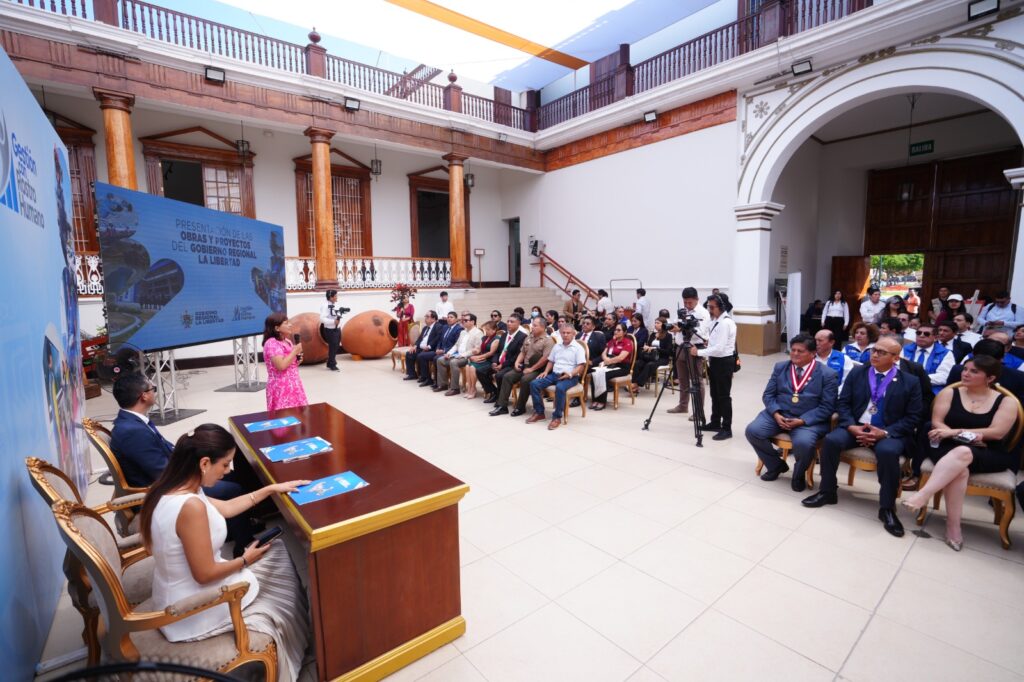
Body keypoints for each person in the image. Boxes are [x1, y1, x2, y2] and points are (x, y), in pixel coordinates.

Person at [139, 425, 310, 680]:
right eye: (226, 464)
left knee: (276, 551)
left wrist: (271, 489)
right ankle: (294, 650)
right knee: (279, 561)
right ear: (205, 463)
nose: (229, 470)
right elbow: (205, 574)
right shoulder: (190, 507)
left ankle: (298, 634)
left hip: (175, 594)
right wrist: (244, 560)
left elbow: (227, 508)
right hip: (191, 609)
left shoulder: (173, 488)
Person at [110, 373, 265, 551]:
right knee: (232, 489)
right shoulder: (132, 431)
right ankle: (243, 544)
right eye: (153, 389)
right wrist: (200, 472)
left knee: (233, 475)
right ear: (144, 396)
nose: (155, 392)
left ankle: (235, 527)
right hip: (164, 490)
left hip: (170, 477)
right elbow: (161, 472)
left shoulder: (132, 421)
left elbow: (167, 453)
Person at [802, 335, 923, 537]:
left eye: (881, 352)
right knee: (831, 441)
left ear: (895, 358)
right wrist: (850, 426)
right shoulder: (858, 373)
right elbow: (843, 403)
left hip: (888, 432)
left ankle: (887, 508)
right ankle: (827, 491)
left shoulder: (910, 382)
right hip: (856, 426)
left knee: (888, 453)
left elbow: (914, 416)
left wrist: (885, 432)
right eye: (874, 350)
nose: (874, 355)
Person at [903, 356, 1018, 551]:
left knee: (963, 454)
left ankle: (923, 494)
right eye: (965, 369)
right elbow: (937, 422)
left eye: (974, 371)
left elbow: (997, 433)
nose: (965, 374)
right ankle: (953, 528)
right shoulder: (949, 393)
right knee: (961, 467)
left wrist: (955, 432)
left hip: (987, 450)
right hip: (945, 445)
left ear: (990, 378)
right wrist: (964, 437)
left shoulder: (1006, 402)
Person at [745, 334, 838, 491]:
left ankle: (798, 474)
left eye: (800, 351)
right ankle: (776, 465)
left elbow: (827, 407)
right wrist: (776, 414)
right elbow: (768, 395)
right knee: (753, 431)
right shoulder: (781, 367)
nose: (795, 354)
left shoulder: (827, 374)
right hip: (779, 414)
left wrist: (802, 420)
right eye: (793, 350)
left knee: (804, 443)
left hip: (807, 421)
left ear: (812, 353)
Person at [490, 317, 554, 417]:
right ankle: (502, 406)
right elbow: (523, 352)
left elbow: (545, 359)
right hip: (525, 365)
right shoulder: (529, 337)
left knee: (525, 379)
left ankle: (520, 407)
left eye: (535, 326)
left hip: (538, 369)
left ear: (542, 327)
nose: (532, 327)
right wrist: (517, 362)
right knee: (507, 376)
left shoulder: (548, 341)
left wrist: (531, 369)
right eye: (532, 325)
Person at [527, 324, 587, 430]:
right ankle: (540, 413)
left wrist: (570, 374)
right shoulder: (557, 346)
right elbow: (551, 361)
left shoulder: (578, 348)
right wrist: (546, 371)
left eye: (568, 333)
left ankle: (557, 417)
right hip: (554, 374)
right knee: (534, 384)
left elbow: (581, 366)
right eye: (563, 333)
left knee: (560, 387)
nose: (565, 335)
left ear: (573, 334)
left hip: (570, 376)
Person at [695, 295, 737, 440]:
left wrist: (698, 352)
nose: (710, 310)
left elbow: (720, 348)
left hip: (723, 362)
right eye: (709, 307)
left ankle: (726, 428)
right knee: (714, 394)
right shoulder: (716, 321)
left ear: (721, 307)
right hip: (715, 361)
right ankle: (715, 422)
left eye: (712, 307)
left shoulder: (725, 323)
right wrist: (709, 343)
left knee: (724, 396)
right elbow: (715, 342)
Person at [668, 287, 711, 419]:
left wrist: (682, 328)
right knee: (682, 379)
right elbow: (675, 325)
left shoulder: (703, 313)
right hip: (680, 346)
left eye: (690, 302)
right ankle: (683, 405)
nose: (687, 305)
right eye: (685, 302)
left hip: (694, 348)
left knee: (696, 381)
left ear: (697, 299)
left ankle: (698, 411)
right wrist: (672, 327)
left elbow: (702, 333)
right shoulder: (683, 310)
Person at [262, 312, 307, 412]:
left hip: (294, 385)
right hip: (281, 387)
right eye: (286, 323)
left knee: (299, 416)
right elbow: (281, 366)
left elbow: (289, 364)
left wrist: (297, 360)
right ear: (277, 328)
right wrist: (295, 351)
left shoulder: (287, 341)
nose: (290, 325)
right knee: (284, 417)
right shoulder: (271, 343)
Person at [481, 314, 527, 404]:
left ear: (518, 323)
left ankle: (500, 398)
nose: (508, 323)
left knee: (499, 375)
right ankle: (494, 392)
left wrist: (502, 365)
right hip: (499, 363)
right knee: (481, 371)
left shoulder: (522, 337)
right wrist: (494, 362)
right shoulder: (504, 335)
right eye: (508, 321)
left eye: (512, 322)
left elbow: (517, 356)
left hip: (510, 364)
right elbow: (498, 351)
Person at [435, 312, 482, 396]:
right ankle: (443, 384)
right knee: (440, 360)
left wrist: (463, 355)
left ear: (472, 322)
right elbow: (456, 345)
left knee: (453, 362)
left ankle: (455, 388)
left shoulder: (478, 333)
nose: (463, 322)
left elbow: (476, 349)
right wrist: (449, 353)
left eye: (466, 320)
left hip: (468, 357)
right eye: (463, 320)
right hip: (457, 355)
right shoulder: (463, 332)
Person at [901, 322, 955, 394]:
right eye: (918, 333)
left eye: (926, 334)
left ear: (935, 338)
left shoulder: (945, 353)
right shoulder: (905, 349)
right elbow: (897, 369)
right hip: (905, 388)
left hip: (930, 390)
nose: (921, 336)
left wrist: (919, 379)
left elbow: (944, 376)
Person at [590, 323, 634, 411]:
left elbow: (620, 358)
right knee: (594, 373)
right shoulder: (612, 341)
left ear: (624, 332)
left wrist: (608, 361)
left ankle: (602, 401)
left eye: (619, 330)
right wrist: (606, 359)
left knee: (604, 375)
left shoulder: (627, 342)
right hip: (610, 365)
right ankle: (595, 400)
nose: (616, 332)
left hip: (622, 367)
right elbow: (604, 353)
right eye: (615, 330)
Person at [632, 318, 674, 393]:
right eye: (655, 323)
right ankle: (634, 383)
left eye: (658, 323)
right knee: (637, 363)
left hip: (662, 358)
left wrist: (656, 349)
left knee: (650, 365)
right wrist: (646, 347)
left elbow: (668, 351)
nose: (655, 324)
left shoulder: (668, 336)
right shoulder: (653, 334)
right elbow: (648, 345)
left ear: (663, 324)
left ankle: (636, 384)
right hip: (650, 356)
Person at [464, 321, 503, 400]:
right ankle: (470, 388)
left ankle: (473, 389)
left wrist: (478, 357)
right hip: (482, 358)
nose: (486, 331)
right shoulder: (484, 338)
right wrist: (476, 351)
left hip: (489, 360)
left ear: (494, 330)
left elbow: (491, 353)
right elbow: (480, 349)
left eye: (488, 329)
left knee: (472, 367)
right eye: (485, 329)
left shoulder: (497, 339)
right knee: (467, 366)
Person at [420, 311, 460, 387]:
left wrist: (444, 350)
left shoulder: (459, 329)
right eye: (448, 317)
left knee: (436, 358)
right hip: (439, 350)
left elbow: (456, 344)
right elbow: (440, 340)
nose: (449, 319)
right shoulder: (445, 327)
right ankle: (428, 379)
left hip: (449, 352)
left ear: (456, 319)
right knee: (422, 355)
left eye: (451, 317)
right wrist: (438, 348)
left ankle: (438, 382)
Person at [814, 329, 857, 394]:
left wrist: (834, 394)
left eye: (820, 341)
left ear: (831, 342)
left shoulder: (844, 358)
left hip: (836, 395)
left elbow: (848, 381)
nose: (816, 343)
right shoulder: (808, 357)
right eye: (815, 340)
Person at [405, 311, 443, 381]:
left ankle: (425, 377)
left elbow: (437, 338)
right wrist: (415, 346)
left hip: (431, 349)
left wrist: (429, 346)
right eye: (425, 316)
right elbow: (419, 339)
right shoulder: (425, 328)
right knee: (409, 354)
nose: (425, 318)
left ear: (433, 319)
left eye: (427, 317)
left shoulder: (438, 326)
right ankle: (412, 374)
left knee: (421, 356)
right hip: (421, 348)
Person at [319, 289, 342, 372]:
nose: (337, 297)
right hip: (330, 330)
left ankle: (329, 362)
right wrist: (333, 322)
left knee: (336, 346)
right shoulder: (325, 306)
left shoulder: (333, 304)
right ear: (331, 297)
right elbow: (322, 319)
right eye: (335, 296)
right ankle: (332, 364)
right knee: (333, 347)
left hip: (337, 328)